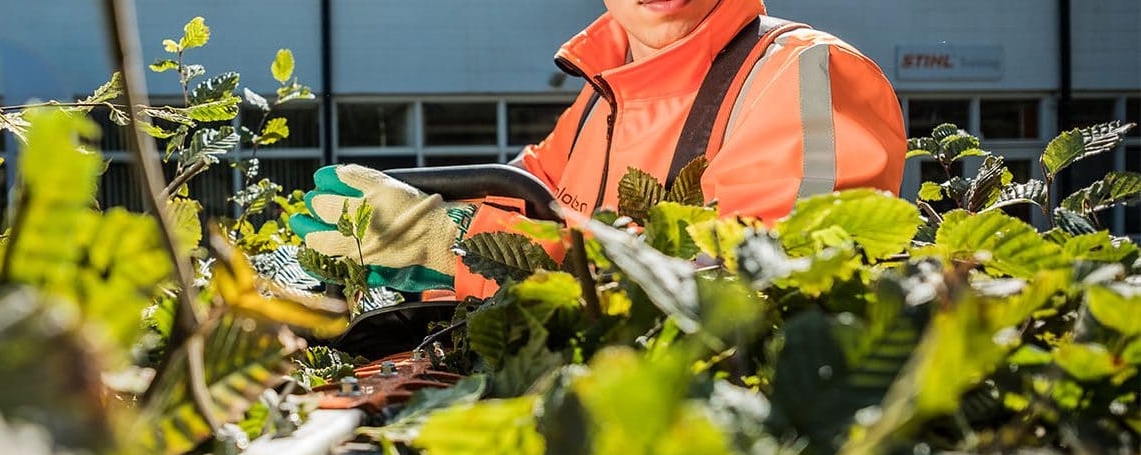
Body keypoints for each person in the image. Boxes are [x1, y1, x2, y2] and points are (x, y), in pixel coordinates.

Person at [291, 0, 905, 298]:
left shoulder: (806, 76)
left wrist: (454, 245)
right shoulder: (601, 100)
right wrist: (385, 224)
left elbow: (748, 292)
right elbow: (523, 192)